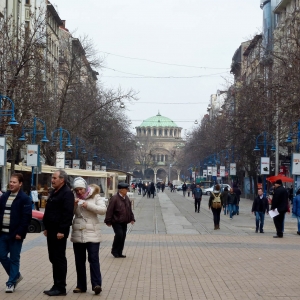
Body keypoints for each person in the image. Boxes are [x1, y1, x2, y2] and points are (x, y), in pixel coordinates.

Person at [71, 177, 107, 295]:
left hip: (92, 231)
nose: (79, 192)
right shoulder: (74, 197)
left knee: (93, 258)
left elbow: (102, 210)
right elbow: (68, 213)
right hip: (78, 231)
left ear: (85, 187)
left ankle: (96, 284)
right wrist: (74, 205)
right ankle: (81, 285)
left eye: (81, 189)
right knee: (79, 260)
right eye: (77, 190)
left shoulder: (95, 196)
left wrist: (88, 205)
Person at [43, 170, 74, 296]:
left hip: (59, 232)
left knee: (59, 258)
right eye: (52, 177)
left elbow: (67, 213)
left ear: (62, 179)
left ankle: (61, 287)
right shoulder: (54, 192)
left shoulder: (67, 193)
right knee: (53, 258)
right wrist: (46, 227)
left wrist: (62, 230)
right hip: (51, 230)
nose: (52, 180)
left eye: (55, 178)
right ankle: (56, 284)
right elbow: (50, 211)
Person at [0, 173, 32, 293]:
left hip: (15, 234)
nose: (11, 184)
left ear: (20, 184)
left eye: (14, 182)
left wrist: (20, 232)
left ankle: (11, 282)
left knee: (14, 258)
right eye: (11, 182)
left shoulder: (24, 198)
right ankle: (16, 275)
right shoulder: (5, 196)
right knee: (1, 255)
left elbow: (26, 217)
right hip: (3, 233)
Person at [104, 182, 135, 258]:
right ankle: (114, 251)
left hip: (124, 221)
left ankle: (119, 252)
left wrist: (132, 218)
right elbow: (110, 210)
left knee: (123, 236)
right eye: (126, 189)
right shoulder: (114, 198)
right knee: (119, 234)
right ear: (121, 190)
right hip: (116, 221)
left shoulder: (126, 198)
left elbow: (129, 209)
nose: (127, 190)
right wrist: (108, 220)